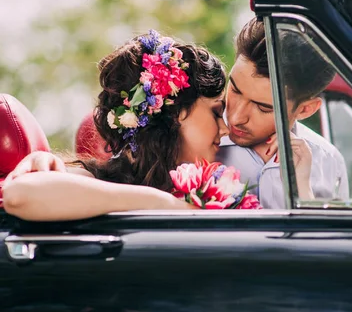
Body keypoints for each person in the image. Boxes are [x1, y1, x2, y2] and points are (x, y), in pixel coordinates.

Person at [3, 30, 313, 221]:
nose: (225, 128)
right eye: (216, 113)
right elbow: (19, 196)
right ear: (178, 113)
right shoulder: (101, 177)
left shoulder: (214, 185)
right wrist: (161, 203)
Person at [219, 18, 349, 208]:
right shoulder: (192, 140)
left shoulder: (328, 163)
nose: (236, 117)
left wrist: (303, 191)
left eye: (263, 108)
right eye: (235, 90)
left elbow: (332, 237)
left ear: (306, 109)